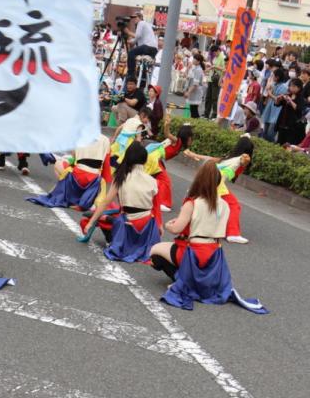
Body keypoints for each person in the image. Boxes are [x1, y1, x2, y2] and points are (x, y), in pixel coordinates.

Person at [149, 162, 267, 314]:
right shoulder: (224, 205)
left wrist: (167, 225)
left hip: (193, 251)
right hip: (215, 253)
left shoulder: (193, 202)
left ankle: (184, 281)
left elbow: (177, 229)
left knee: (154, 251)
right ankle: (194, 282)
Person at [78, 140, 160, 262]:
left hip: (128, 224)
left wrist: (91, 223)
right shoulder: (153, 180)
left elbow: (105, 202)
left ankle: (113, 239)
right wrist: (159, 227)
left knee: (88, 218)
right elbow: (156, 207)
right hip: (147, 226)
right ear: (145, 160)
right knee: (113, 209)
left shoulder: (121, 176)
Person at [27, 134, 111, 211]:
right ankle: (84, 198)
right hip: (94, 180)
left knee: (58, 164)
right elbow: (106, 164)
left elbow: (74, 156)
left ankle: (69, 196)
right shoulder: (106, 140)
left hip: (78, 176)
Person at [125, 10, 157, 82]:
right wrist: (129, 41)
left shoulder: (141, 23)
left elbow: (137, 36)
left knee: (131, 53)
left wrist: (128, 32)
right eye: (133, 18)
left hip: (148, 47)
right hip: (153, 49)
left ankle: (131, 73)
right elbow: (136, 40)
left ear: (140, 17)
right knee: (142, 63)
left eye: (135, 18)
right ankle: (142, 81)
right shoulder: (146, 25)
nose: (134, 20)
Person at [276, 78, 306, 146]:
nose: (291, 88)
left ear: (299, 88)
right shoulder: (288, 95)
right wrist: (278, 99)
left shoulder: (301, 98)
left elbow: (299, 109)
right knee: (279, 143)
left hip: (292, 127)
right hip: (282, 123)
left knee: (288, 145)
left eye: (293, 86)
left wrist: (290, 101)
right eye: (290, 86)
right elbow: (277, 104)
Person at [204, 46, 227, 118]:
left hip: (217, 79)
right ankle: (206, 113)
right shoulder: (216, 57)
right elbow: (213, 66)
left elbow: (224, 69)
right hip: (211, 78)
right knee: (208, 97)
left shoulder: (223, 57)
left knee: (214, 98)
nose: (214, 54)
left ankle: (214, 114)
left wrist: (214, 67)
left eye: (214, 53)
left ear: (218, 51)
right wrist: (210, 66)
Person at [184, 52, 205, 118]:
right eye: (193, 59)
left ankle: (196, 125)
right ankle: (194, 124)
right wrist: (188, 68)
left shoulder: (198, 70)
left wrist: (188, 92)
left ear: (198, 62)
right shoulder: (194, 68)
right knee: (193, 110)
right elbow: (187, 77)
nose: (193, 60)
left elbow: (195, 84)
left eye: (194, 59)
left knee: (194, 111)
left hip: (196, 92)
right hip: (193, 91)